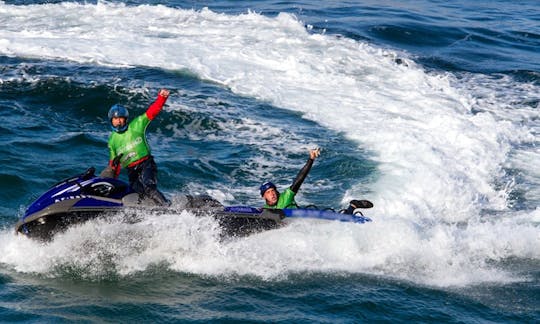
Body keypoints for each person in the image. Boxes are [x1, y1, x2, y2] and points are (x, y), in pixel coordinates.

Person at [100, 89, 170, 206]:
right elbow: (114, 165)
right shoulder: (112, 141)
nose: (118, 121)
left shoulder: (137, 125)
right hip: (131, 171)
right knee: (135, 194)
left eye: (121, 118)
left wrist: (161, 98)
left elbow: (152, 112)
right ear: (111, 121)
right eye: (115, 119)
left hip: (146, 164)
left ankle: (167, 207)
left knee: (149, 187)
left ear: (126, 119)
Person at [259, 148, 372, 214]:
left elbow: (299, 178)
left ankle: (353, 205)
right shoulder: (266, 210)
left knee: (341, 219)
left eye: (273, 190)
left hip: (303, 219)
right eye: (268, 192)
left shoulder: (287, 195)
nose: (272, 194)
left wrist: (311, 159)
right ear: (264, 197)